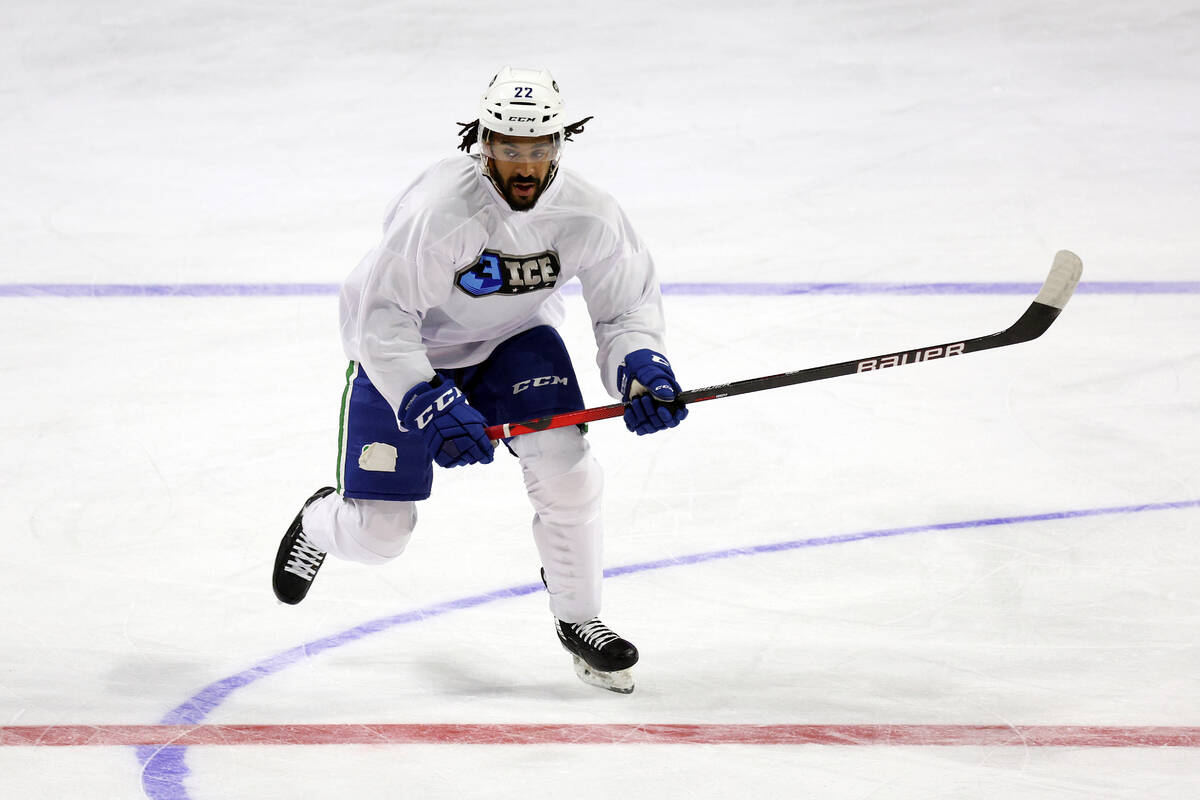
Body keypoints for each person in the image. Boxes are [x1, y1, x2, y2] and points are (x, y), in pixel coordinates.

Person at [272, 66, 687, 694]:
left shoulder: (591, 213)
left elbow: (624, 307)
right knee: (382, 536)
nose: (524, 165)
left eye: (539, 148)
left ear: (559, 144)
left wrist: (639, 366)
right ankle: (321, 523)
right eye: (509, 149)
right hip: (409, 353)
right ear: (483, 142)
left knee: (566, 466)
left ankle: (581, 619)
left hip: (511, 342)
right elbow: (381, 322)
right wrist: (425, 397)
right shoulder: (440, 213)